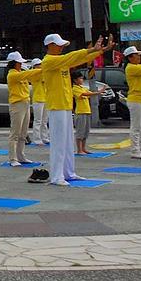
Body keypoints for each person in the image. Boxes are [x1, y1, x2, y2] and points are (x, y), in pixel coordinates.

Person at [41, 34, 112, 186]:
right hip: (56, 106)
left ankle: (69, 173)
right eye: (58, 45)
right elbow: (72, 56)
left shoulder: (62, 62)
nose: (61, 47)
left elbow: (79, 59)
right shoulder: (49, 61)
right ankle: (56, 176)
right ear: (50, 45)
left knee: (67, 143)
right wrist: (92, 49)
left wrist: (100, 51)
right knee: (59, 143)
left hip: (66, 106)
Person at [5, 51, 42, 167]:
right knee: (15, 132)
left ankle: (21, 156)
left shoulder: (21, 72)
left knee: (23, 132)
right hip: (17, 104)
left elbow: (31, 76)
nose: (21, 65)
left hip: (25, 103)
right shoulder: (12, 74)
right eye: (19, 63)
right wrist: (41, 69)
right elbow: (28, 74)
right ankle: (13, 158)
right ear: (14, 63)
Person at [71, 71, 101, 155]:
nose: (81, 80)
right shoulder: (75, 88)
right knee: (80, 132)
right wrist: (98, 92)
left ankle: (83, 148)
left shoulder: (82, 87)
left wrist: (99, 92)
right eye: (80, 78)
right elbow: (84, 94)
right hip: (80, 112)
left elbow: (89, 93)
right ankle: (79, 149)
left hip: (87, 111)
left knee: (85, 132)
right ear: (75, 80)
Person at [29, 59, 49, 145]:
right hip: (37, 99)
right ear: (34, 66)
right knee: (38, 120)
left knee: (44, 120)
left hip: (45, 99)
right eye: (38, 64)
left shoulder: (43, 74)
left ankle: (45, 137)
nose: (40, 66)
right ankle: (37, 139)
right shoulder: (34, 74)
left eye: (40, 64)